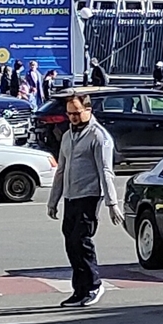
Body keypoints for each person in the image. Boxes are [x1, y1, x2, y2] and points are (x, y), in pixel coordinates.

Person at [47, 90, 116, 309]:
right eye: (70, 114)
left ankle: (94, 285)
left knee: (82, 240)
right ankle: (79, 290)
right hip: (70, 196)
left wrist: (112, 203)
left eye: (77, 112)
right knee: (70, 242)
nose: (73, 117)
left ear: (88, 110)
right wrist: (53, 200)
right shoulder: (68, 136)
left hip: (89, 195)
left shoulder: (99, 136)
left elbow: (106, 171)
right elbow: (61, 170)